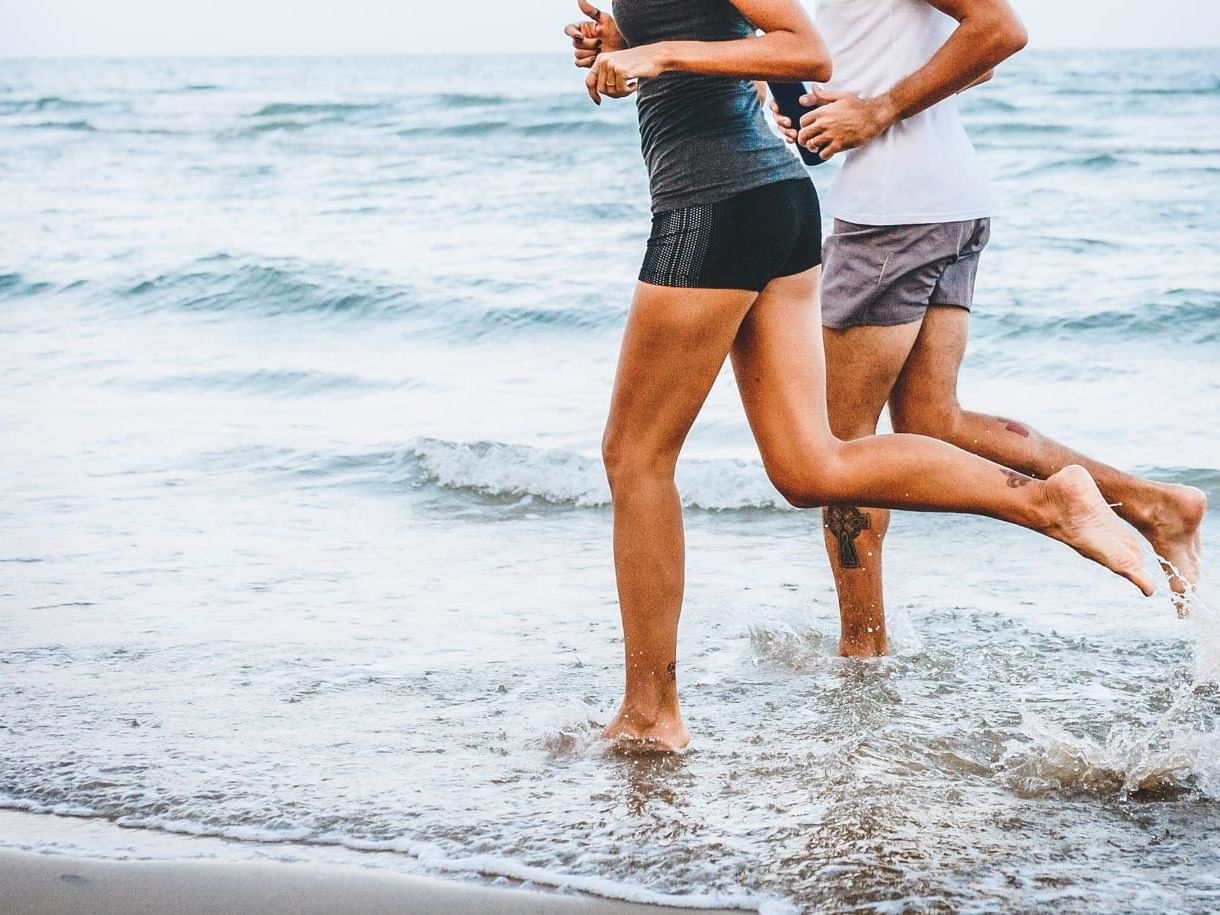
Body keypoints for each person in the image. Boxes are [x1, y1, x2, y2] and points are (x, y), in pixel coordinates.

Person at [563, 0, 1152, 753]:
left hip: (715, 206)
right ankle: (1047, 500)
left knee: (635, 455)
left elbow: (804, 50)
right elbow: (719, 36)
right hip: (767, 203)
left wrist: (661, 54)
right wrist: (627, 40)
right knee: (812, 464)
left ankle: (650, 711)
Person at [762, 0, 1206, 656]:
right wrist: (838, 110)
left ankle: (863, 648)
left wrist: (877, 111)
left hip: (892, 215)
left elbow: (1000, 29)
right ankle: (1150, 503)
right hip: (946, 202)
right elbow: (973, 63)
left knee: (840, 451)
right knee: (935, 422)